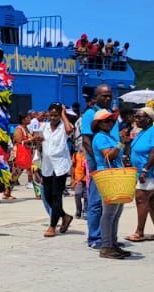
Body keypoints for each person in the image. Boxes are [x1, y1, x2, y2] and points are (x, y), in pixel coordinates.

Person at [91, 108, 131, 260]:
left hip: (115, 174)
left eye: (112, 120)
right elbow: (109, 155)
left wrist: (123, 143)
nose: (110, 123)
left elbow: (121, 153)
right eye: (106, 121)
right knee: (109, 212)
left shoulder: (108, 136)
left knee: (116, 211)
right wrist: (121, 143)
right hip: (107, 175)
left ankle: (112, 243)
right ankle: (107, 245)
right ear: (99, 124)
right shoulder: (100, 138)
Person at [79, 85, 115, 251]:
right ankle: (95, 237)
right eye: (104, 96)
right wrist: (96, 161)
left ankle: (108, 237)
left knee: (110, 203)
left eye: (110, 96)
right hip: (99, 164)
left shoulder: (110, 114)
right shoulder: (91, 114)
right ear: (96, 97)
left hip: (112, 164)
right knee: (95, 202)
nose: (108, 98)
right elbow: (86, 140)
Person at [125, 109, 154, 242]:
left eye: (140, 117)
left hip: (148, 172)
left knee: (141, 199)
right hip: (141, 171)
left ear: (149, 119)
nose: (136, 119)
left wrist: (144, 169)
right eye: (135, 116)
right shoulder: (142, 132)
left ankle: (139, 232)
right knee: (152, 202)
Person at [36, 103, 74, 236]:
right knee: (47, 196)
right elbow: (39, 142)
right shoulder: (44, 126)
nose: (53, 118)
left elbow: (70, 131)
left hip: (60, 165)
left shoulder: (64, 126)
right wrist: (38, 142)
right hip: (47, 164)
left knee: (56, 195)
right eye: (51, 115)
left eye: (56, 115)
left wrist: (63, 114)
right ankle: (65, 216)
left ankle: (52, 226)